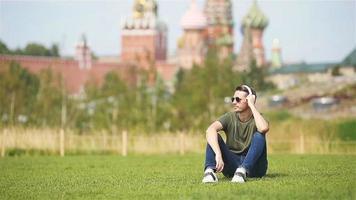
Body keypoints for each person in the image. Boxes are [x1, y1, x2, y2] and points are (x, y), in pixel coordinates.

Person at [202, 84, 269, 183]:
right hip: (232, 166)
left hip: (255, 168)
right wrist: (218, 154)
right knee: (213, 135)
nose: (234, 102)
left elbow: (263, 128)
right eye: (233, 99)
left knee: (259, 136)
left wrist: (252, 105)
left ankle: (243, 171)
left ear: (249, 100)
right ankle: (209, 172)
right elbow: (209, 130)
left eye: (238, 99)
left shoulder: (258, 118)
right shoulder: (229, 117)